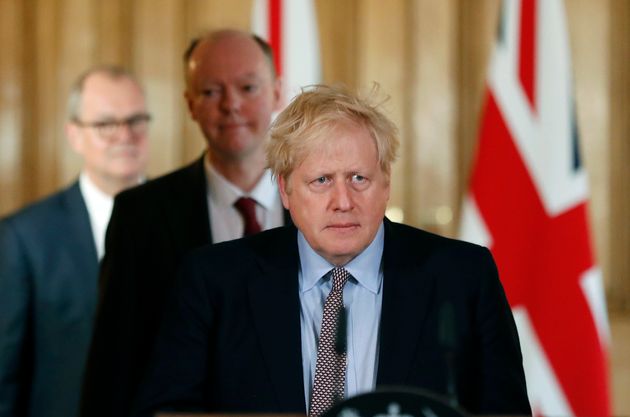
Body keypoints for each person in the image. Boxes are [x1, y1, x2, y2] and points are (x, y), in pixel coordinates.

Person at [134, 84, 531, 417]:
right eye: (321, 180)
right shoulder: (214, 280)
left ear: (386, 183)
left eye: (359, 178)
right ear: (286, 190)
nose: (343, 201)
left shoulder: (461, 275)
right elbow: (168, 411)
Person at [80, 30, 289, 417]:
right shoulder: (139, 216)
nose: (232, 105)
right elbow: (113, 363)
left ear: (277, 93)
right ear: (190, 103)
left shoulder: (323, 205)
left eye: (248, 87)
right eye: (211, 91)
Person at [0, 66, 150, 417]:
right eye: (105, 125)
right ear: (74, 135)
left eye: (136, 120)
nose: (124, 135)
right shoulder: (25, 236)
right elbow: (5, 375)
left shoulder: (184, 219)